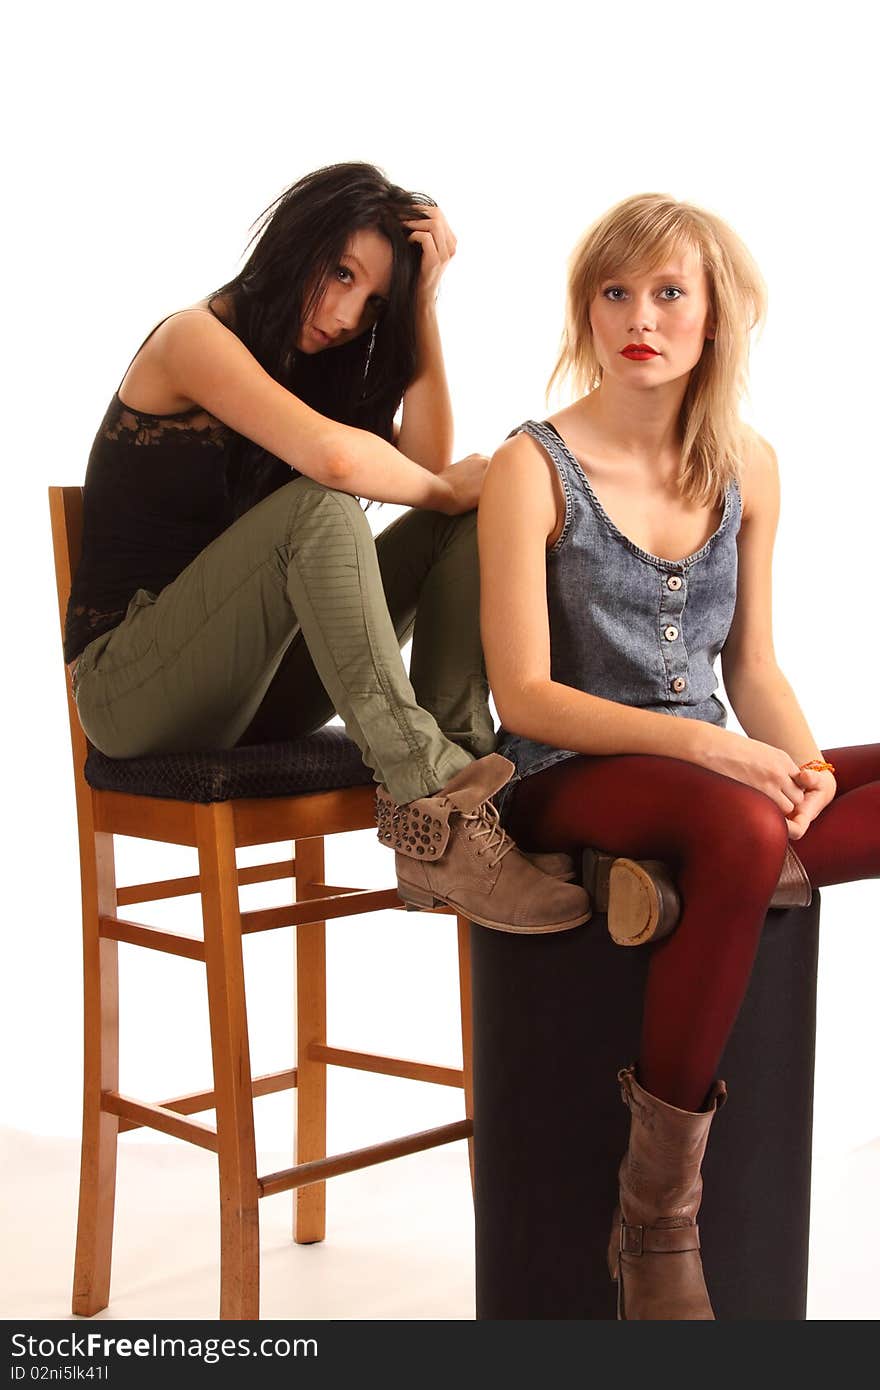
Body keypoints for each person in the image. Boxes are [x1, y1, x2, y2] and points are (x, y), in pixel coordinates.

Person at [477, 192, 880, 1319]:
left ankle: (746, 862)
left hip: (702, 776)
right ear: (584, 310)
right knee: (739, 823)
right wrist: (721, 756)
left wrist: (795, 764)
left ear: (713, 320)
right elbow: (524, 691)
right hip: (562, 776)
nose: (636, 317)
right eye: (613, 292)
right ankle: (655, 1216)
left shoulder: (748, 462)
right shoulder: (531, 465)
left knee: (759, 816)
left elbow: (752, 667)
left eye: (666, 293)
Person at [63, 162, 589, 935]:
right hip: (131, 689)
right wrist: (441, 487)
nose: (346, 315)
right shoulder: (191, 340)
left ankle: (470, 806)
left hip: (254, 686)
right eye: (340, 273)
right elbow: (346, 467)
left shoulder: (312, 368)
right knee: (321, 506)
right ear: (294, 243)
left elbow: (429, 465)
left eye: (372, 300)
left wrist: (423, 304)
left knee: (468, 520)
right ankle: (429, 805)